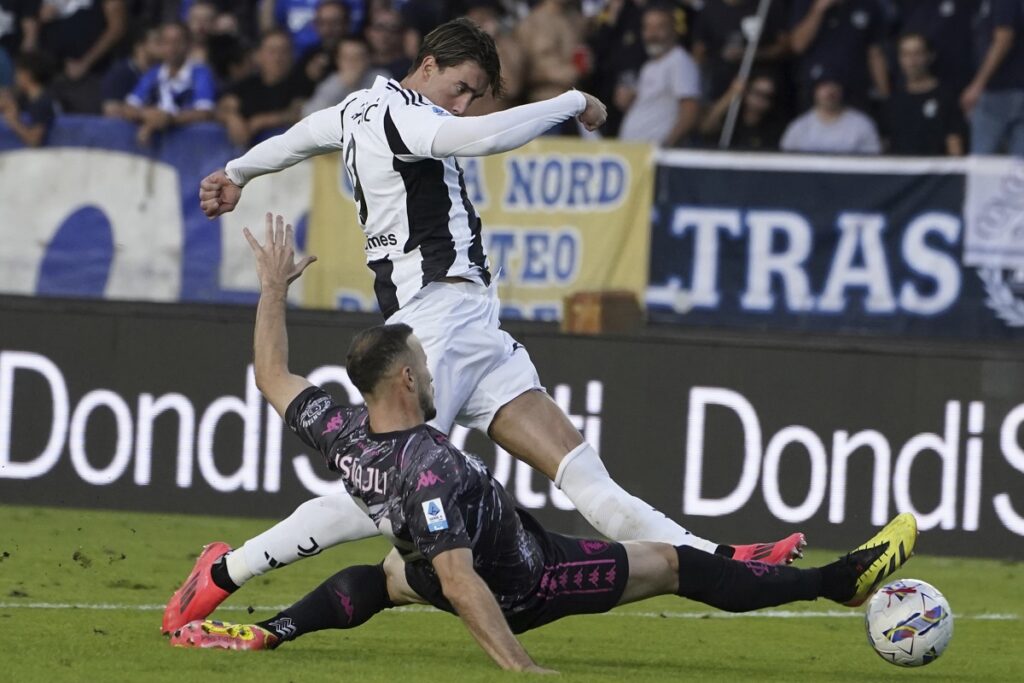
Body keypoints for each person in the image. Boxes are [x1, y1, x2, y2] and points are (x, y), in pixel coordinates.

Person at [163, 18, 807, 637]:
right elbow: (476, 140)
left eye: (474, 95)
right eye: (459, 86)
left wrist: (240, 172)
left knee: (587, 478)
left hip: (477, 330)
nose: (464, 105)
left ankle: (720, 555)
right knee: (384, 494)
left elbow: (302, 134)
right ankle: (225, 569)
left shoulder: (359, 111)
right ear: (426, 66)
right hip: (435, 324)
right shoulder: (404, 114)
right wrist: (572, 100)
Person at [168, 214, 919, 673]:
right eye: (425, 367)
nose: (436, 377)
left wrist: (273, 286)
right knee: (674, 565)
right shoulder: (426, 467)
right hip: (528, 579)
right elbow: (465, 583)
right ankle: (836, 581)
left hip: (433, 564)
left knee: (393, 574)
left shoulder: (344, 431)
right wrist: (520, 665)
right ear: (402, 378)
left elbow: (272, 374)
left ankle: (270, 635)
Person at [617, 3, 701, 146]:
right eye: (648, 28)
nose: (652, 34)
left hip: (656, 157)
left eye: (660, 27)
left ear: (673, 29)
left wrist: (667, 145)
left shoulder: (679, 61)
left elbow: (690, 110)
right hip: (634, 154)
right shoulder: (649, 65)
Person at [124, 22, 217, 146]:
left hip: (191, 146)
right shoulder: (154, 73)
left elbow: (205, 112)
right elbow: (129, 107)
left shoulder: (201, 73)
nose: (172, 48)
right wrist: (146, 115)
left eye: (177, 42)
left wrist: (169, 119)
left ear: (189, 45)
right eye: (166, 42)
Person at [788, 0, 889, 109]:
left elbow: (875, 53)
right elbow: (797, 46)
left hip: (854, 90)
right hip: (815, 89)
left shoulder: (868, 5)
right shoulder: (805, 3)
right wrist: (818, 10)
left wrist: (885, 94)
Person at [217, 28, 304, 147]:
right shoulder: (247, 85)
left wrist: (261, 121)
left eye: (284, 51)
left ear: (292, 55)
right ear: (258, 55)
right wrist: (231, 118)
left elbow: (298, 113)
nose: (278, 58)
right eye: (272, 52)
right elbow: (224, 106)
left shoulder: (302, 84)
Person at [882, 33, 965, 156]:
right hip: (900, 172)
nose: (912, 61)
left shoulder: (946, 96)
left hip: (936, 172)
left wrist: (955, 172)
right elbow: (885, 143)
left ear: (930, 56)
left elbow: (954, 141)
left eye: (917, 54)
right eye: (906, 54)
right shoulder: (893, 99)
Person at [961, 0, 1024, 156]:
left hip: (1001, 89)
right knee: (1018, 166)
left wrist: (978, 85)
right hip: (1012, 89)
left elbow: (1004, 38)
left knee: (981, 163)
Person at [780, 74, 881, 154]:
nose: (830, 91)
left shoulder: (861, 125)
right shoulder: (798, 127)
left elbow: (873, 164)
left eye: (835, 86)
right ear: (814, 91)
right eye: (824, 86)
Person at [300, 36, 385, 116]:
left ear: (369, 59)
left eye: (358, 57)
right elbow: (308, 115)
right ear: (337, 60)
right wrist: (342, 86)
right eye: (347, 57)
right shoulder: (331, 82)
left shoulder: (381, 78)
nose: (352, 62)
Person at [700, 72, 786, 150]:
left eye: (767, 96)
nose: (760, 100)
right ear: (746, 92)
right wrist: (731, 94)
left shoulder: (774, 129)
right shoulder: (731, 119)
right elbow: (706, 127)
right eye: (757, 93)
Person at [0, 49, 59, 147]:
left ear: (27, 75)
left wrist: (14, 122)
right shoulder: (24, 98)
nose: (15, 77)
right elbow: (7, 103)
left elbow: (34, 141)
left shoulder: (43, 103)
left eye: (18, 72)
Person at [101, 26, 161, 118]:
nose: (163, 46)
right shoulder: (121, 72)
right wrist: (146, 115)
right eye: (157, 42)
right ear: (139, 46)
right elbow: (111, 111)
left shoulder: (162, 72)